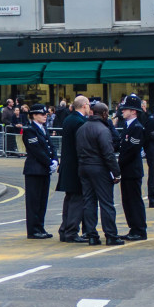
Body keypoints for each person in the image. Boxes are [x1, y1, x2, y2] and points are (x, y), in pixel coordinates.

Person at [77, 102, 123, 246]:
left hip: (84, 167)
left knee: (89, 202)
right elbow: (108, 154)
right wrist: (116, 172)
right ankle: (111, 235)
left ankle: (91, 235)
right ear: (103, 114)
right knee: (106, 203)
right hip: (99, 168)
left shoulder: (82, 128)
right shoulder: (102, 130)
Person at [57, 96, 90, 243]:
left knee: (69, 199)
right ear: (84, 106)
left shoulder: (68, 119)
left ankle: (65, 229)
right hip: (76, 165)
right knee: (77, 199)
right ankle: (71, 231)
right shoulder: (79, 122)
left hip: (67, 165)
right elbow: (81, 145)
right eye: (88, 105)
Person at [22, 103, 58, 239]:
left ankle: (40, 226)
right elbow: (36, 150)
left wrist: (55, 160)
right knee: (34, 201)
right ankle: (33, 229)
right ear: (34, 115)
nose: (45, 116)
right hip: (34, 170)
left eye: (46, 114)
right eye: (42, 114)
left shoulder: (43, 129)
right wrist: (49, 162)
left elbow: (51, 145)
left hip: (44, 169)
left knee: (42, 200)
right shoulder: (30, 130)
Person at [117, 95, 147, 241]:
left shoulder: (137, 127)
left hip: (132, 170)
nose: (123, 111)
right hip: (126, 170)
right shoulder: (128, 126)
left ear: (134, 111)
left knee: (134, 200)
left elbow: (131, 150)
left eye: (126, 109)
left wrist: (117, 165)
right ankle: (133, 227)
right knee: (127, 201)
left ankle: (139, 229)